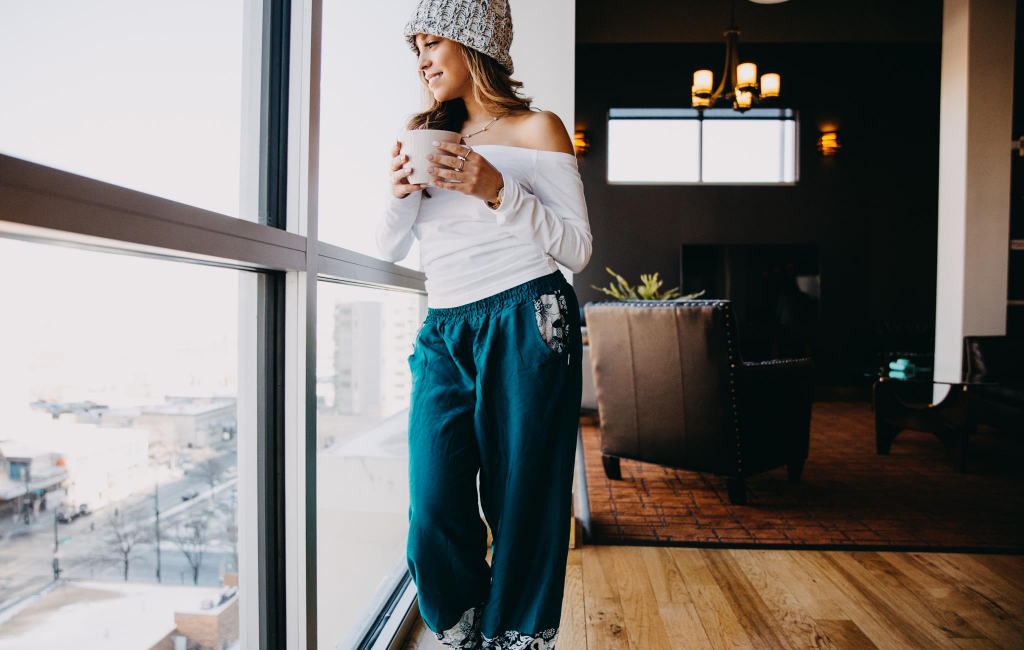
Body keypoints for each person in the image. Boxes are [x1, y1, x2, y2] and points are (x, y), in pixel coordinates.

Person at [376, 2, 592, 649]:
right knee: (434, 502)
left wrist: (498, 189)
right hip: (446, 328)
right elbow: (389, 247)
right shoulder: (423, 134)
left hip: (529, 317)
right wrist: (396, 196)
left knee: (523, 500)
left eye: (431, 42)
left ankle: (514, 638)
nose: (420, 59)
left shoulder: (538, 130)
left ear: (471, 44)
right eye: (414, 47)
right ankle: (467, 627)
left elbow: (577, 248)